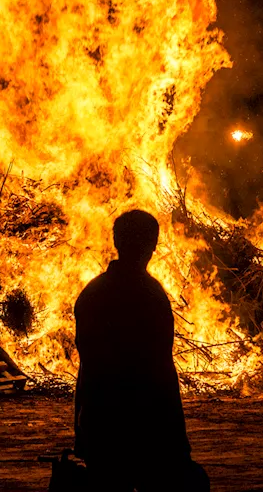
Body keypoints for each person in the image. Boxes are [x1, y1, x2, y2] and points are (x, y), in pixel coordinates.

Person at [73, 209, 209, 492]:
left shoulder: (92, 293)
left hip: (102, 424)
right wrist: (176, 436)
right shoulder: (151, 295)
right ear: (153, 246)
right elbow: (160, 369)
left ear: (116, 242)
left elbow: (87, 366)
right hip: (147, 426)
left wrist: (82, 427)